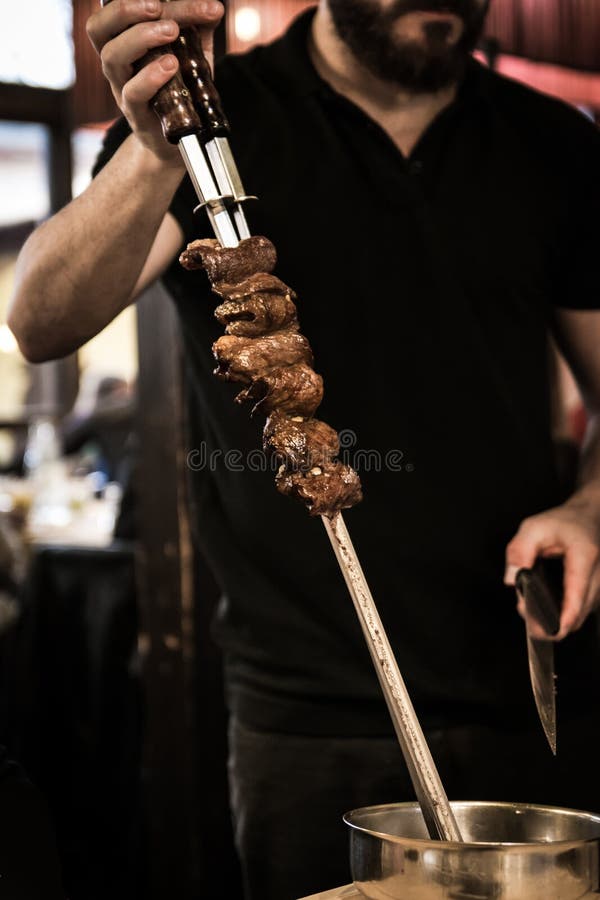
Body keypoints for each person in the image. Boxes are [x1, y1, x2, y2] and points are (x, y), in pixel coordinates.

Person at [8, 1, 600, 897]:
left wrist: (589, 507)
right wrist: (156, 146)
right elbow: (40, 321)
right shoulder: (211, 114)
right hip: (304, 708)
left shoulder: (552, 142)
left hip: (528, 681)